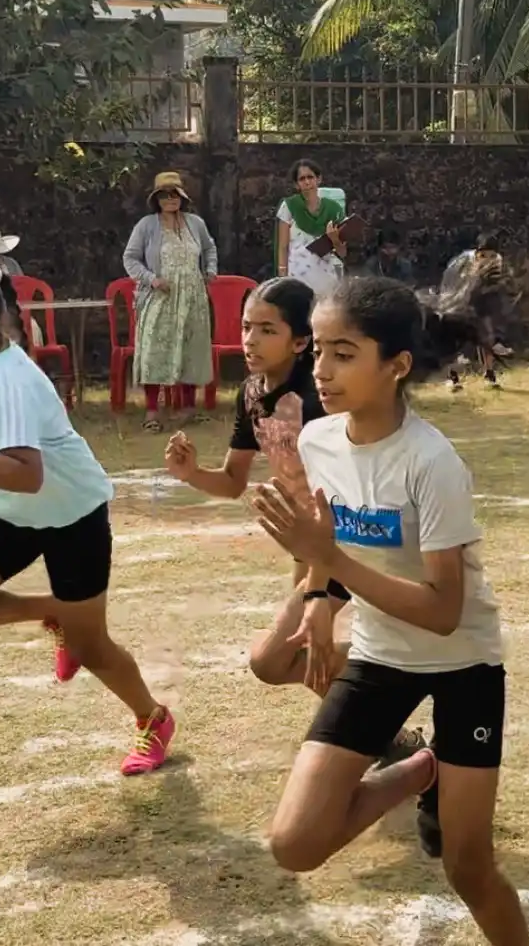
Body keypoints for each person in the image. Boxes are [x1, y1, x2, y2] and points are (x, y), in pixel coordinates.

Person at [251, 277, 529, 945]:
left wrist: (332, 566)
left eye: (344, 353)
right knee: (293, 845)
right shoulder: (318, 441)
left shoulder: (432, 463)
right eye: (318, 350)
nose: (322, 369)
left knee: (468, 867)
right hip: (380, 657)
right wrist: (319, 596)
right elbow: (331, 541)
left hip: (463, 663)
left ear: (397, 364)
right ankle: (418, 770)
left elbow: (442, 611)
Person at [0, 260, 174, 776]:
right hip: (9, 510)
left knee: (92, 648)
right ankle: (54, 611)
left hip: (71, 513)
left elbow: (27, 474)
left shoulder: (11, 381)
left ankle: (152, 717)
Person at [163, 277, 423, 764]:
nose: (249, 340)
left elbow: (356, 473)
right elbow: (233, 481)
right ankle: (390, 735)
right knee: (302, 654)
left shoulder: (319, 396)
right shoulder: (251, 395)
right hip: (308, 546)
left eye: (267, 329)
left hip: (344, 540)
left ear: (300, 341)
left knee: (272, 658)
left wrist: (319, 578)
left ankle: (397, 684)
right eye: (245, 327)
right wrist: (191, 472)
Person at [122, 171, 219, 433]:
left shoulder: (195, 223)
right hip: (160, 296)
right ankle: (152, 410)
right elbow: (130, 258)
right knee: (155, 350)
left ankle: (188, 407)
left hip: (193, 297)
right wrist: (152, 279)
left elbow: (209, 248)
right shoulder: (146, 225)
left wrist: (210, 270)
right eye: (164, 195)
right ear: (156, 199)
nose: (170, 199)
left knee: (191, 349)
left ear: (182, 197)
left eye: (174, 194)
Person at [439, 233, 516, 392]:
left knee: (486, 337)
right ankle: (452, 378)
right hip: (457, 303)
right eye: (483, 254)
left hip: (482, 303)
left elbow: (503, 284)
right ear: (477, 252)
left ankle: (489, 373)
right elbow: (451, 284)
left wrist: (494, 287)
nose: (487, 257)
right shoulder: (463, 261)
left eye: (491, 254)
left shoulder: (498, 261)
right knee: (455, 341)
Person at [276, 157, 348, 298]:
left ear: (319, 179)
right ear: (297, 185)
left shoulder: (333, 209)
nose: (307, 182)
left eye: (310, 177)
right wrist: (282, 277)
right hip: (297, 275)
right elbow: (283, 247)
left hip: (325, 276)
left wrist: (334, 239)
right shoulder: (290, 206)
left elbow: (343, 253)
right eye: (302, 179)